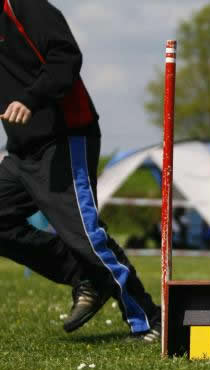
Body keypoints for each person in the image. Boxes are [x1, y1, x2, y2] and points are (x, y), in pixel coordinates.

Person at [0, 0, 160, 341]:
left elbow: (66, 57)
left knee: (85, 236)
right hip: (22, 152)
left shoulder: (24, 8)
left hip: (64, 138)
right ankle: (86, 276)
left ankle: (149, 318)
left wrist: (31, 99)